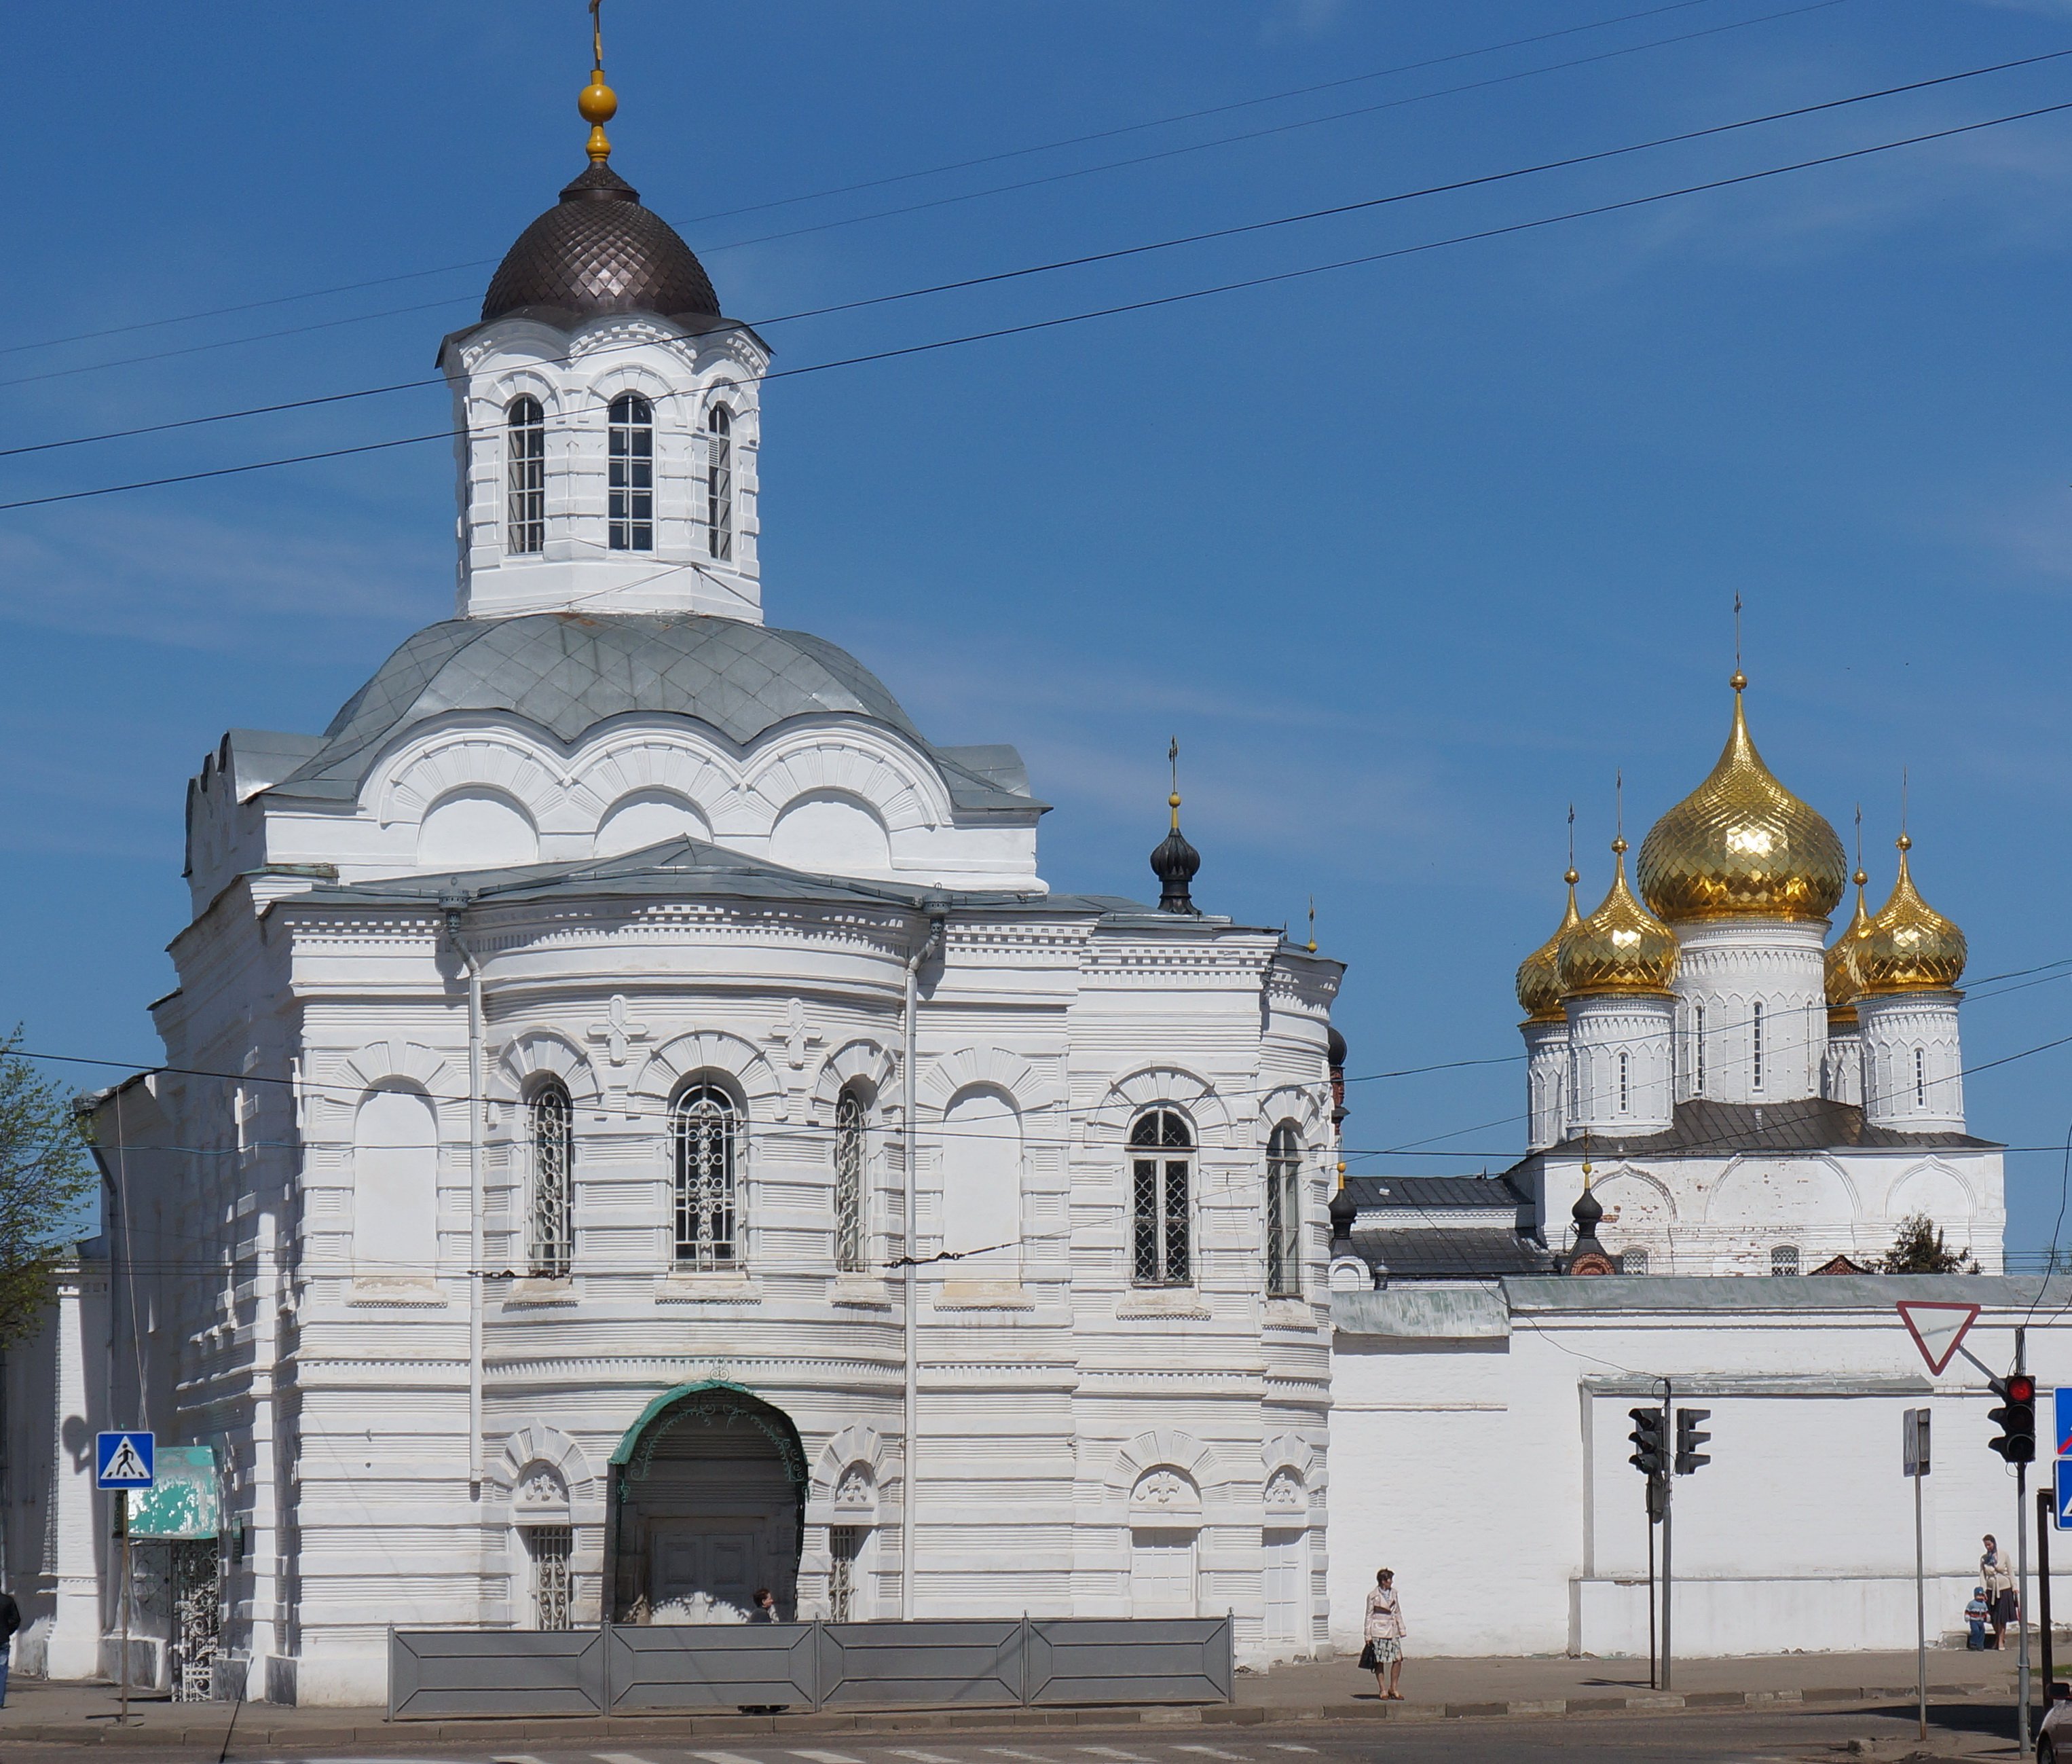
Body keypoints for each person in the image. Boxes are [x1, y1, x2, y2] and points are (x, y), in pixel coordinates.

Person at [1359, 1568, 1406, 1700]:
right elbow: (1368, 1615)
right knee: (1379, 1661)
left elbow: (1397, 1612)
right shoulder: (1373, 1596)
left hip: (1392, 1630)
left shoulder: (1394, 1594)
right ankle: (1383, 1689)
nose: (1391, 1582)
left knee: (1398, 1659)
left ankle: (1394, 1688)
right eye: (1389, 1579)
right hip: (1378, 1630)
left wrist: (1402, 1629)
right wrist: (1367, 1635)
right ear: (1383, 1581)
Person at [1982, 1536, 2016, 1650]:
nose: (1988, 1547)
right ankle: (1998, 1638)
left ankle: (2001, 1641)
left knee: (2002, 1617)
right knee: (1993, 1616)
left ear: (1994, 1543)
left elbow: (2011, 1572)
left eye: (1989, 1544)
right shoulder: (1984, 1559)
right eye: (1986, 1545)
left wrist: (2014, 1586)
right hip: (1991, 1590)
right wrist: (1983, 1590)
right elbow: (1982, 1576)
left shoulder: (2004, 1555)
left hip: (2004, 1588)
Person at [0, 1585, 18, 1708]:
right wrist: (7, 1631)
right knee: (2, 1672)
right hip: (3, 1640)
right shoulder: (8, 1601)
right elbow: (16, 1620)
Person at [1965, 1585, 1991, 1651]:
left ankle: (1980, 1645)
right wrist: (1967, 1616)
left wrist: (1987, 1616)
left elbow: (1986, 1611)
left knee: (1982, 1632)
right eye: (1978, 1595)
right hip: (1974, 1620)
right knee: (1975, 1631)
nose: (1980, 1597)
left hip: (1981, 1621)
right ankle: (1973, 1644)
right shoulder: (1972, 1603)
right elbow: (1968, 1611)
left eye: (1982, 1595)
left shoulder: (1984, 1604)